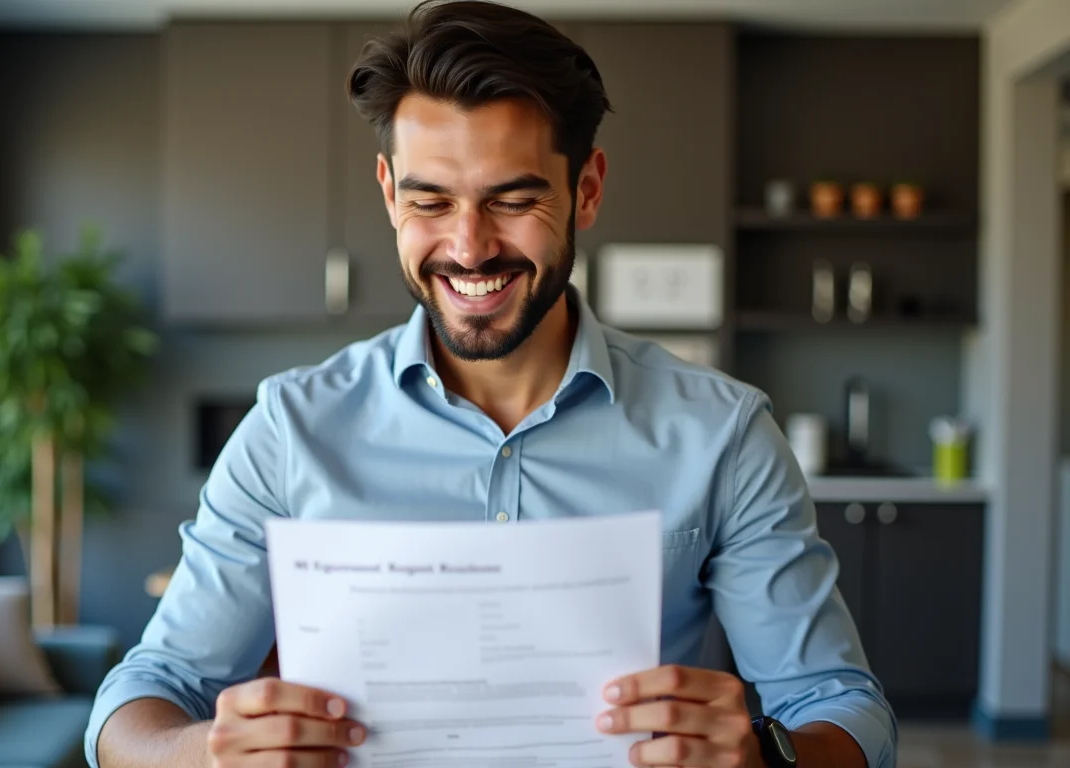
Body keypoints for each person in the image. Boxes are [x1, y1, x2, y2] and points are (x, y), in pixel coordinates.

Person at [86, 1, 896, 766]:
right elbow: (139, 699)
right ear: (387, 193)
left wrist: (770, 754)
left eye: (513, 200)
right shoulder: (289, 429)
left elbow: (841, 703)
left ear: (586, 190)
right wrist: (200, 752)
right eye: (430, 201)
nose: (469, 248)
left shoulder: (723, 433)